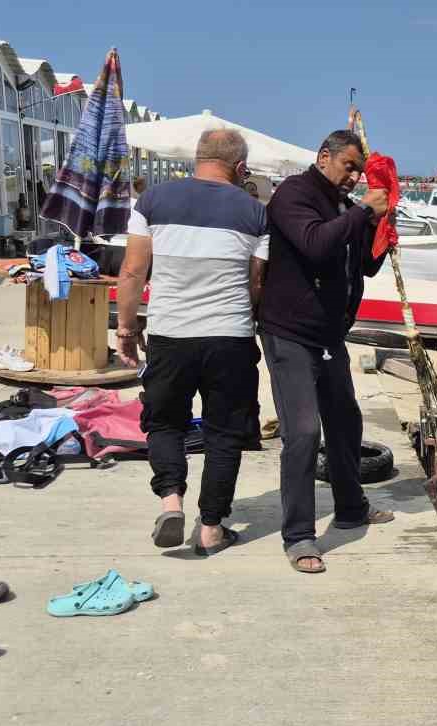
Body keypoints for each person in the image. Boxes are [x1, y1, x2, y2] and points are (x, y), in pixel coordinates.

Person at [117, 128, 268, 557]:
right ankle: (212, 528)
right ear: (239, 168)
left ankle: (171, 500)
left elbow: (131, 272)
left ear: (196, 159)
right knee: (224, 433)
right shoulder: (256, 212)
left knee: (164, 422)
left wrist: (127, 331)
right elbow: (256, 281)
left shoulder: (151, 201)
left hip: (170, 334)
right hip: (230, 337)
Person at [259, 130, 396, 574]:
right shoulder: (293, 195)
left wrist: (380, 231)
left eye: (359, 169)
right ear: (324, 157)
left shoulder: (343, 205)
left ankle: (351, 507)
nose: (354, 176)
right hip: (290, 332)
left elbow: (360, 265)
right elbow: (317, 244)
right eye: (349, 166)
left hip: (329, 334)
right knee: (302, 431)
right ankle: (299, 535)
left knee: (345, 421)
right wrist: (362, 211)